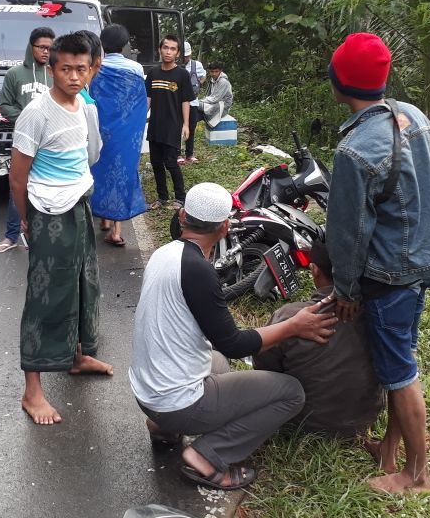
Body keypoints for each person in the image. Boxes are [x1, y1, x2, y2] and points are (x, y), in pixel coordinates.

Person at [129, 183, 337, 490]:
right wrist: (294, 326)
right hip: (174, 402)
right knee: (291, 392)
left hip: (147, 391)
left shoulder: (165, 253)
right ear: (225, 227)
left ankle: (163, 428)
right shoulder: (198, 271)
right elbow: (234, 344)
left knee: (218, 363)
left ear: (183, 215)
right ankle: (207, 456)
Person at [324, 32, 430, 495]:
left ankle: (417, 475)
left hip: (390, 272)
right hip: (425, 257)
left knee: (399, 372)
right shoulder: (413, 116)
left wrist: (345, 290)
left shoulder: (354, 150)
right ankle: (388, 451)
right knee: (403, 355)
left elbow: (348, 232)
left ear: (339, 82)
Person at [10, 30, 112, 425]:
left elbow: (86, 156)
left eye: (81, 69)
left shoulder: (83, 105)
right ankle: (32, 391)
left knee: (84, 285)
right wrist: (28, 219)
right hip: (48, 214)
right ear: (51, 69)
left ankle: (76, 355)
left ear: (91, 70)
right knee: (45, 298)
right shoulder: (36, 113)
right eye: (66, 69)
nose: (74, 76)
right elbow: (17, 177)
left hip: (78, 207)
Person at [252, 238, 385, 439]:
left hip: (303, 423)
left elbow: (264, 366)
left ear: (314, 270)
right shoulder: (379, 313)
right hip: (365, 418)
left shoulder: (289, 317)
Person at [0, 27, 55, 254]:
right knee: (18, 186)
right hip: (24, 140)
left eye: (50, 48)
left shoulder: (56, 73)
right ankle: (11, 236)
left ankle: (45, 235)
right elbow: (5, 106)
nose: (46, 52)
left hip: (50, 142)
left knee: (49, 186)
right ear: (31, 47)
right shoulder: (15, 74)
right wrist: (27, 118)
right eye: (42, 47)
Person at [90, 24, 148, 247]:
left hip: (101, 129)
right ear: (124, 45)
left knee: (101, 169)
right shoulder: (135, 69)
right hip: (126, 132)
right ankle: (116, 230)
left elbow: (93, 98)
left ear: (102, 44)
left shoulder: (96, 67)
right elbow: (139, 104)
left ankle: (103, 218)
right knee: (122, 172)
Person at [145, 35, 193, 209]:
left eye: (173, 49)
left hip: (173, 126)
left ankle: (180, 198)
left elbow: (185, 101)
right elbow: (148, 99)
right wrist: (140, 119)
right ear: (160, 49)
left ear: (178, 53)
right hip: (155, 126)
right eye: (165, 47)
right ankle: (162, 197)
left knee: (171, 163)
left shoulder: (182, 74)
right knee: (156, 163)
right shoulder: (153, 73)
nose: (168, 52)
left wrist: (186, 124)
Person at [179, 41, 206, 165]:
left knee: (191, 128)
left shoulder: (197, 65)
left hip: (193, 102)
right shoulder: (175, 65)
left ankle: (189, 154)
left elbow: (203, 76)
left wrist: (197, 84)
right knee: (177, 127)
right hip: (177, 103)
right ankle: (177, 153)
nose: (185, 58)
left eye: (187, 56)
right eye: (183, 56)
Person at [200, 62, 234, 128]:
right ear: (209, 71)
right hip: (215, 103)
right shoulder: (213, 80)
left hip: (223, 107)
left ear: (220, 71)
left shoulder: (223, 81)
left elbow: (215, 99)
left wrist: (200, 101)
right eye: (212, 72)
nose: (214, 74)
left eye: (216, 71)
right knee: (196, 109)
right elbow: (209, 95)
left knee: (197, 106)